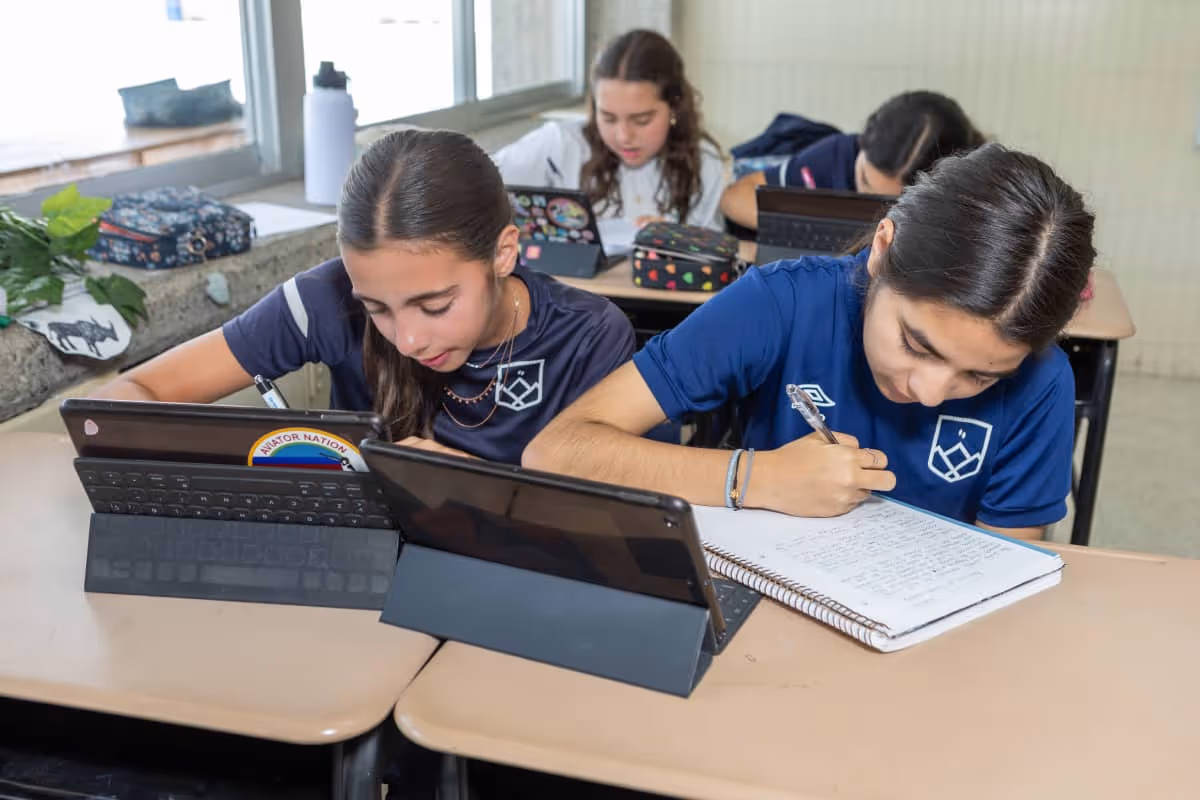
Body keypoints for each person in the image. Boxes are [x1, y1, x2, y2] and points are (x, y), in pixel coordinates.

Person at [525, 144, 1095, 540]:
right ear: (881, 249)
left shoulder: (1042, 381)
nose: (928, 393)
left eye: (980, 377)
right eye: (917, 345)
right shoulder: (782, 303)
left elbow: (1004, 571)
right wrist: (754, 478)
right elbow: (558, 450)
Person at [90, 129, 635, 464]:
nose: (409, 339)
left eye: (436, 304)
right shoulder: (328, 298)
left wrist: (473, 489)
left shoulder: (590, 337)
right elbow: (126, 394)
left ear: (503, 253)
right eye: (376, 309)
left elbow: (627, 521)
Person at [494, 29, 726, 230]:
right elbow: (474, 185)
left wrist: (676, 240)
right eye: (608, 118)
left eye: (642, 120)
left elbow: (720, 262)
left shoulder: (705, 164)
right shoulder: (560, 145)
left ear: (675, 106)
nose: (624, 136)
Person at [721, 90, 985, 229]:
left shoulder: (963, 204)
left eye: (890, 203)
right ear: (862, 141)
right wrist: (816, 230)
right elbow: (736, 199)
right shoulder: (836, 156)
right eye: (864, 180)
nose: (867, 205)